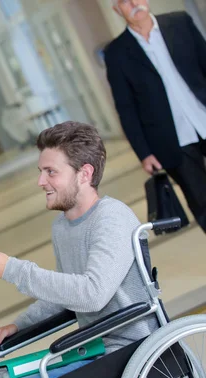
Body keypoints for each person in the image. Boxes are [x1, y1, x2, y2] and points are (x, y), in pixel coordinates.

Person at [0, 121, 158, 378]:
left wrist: (12, 269)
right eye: (41, 172)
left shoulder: (111, 219)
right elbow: (65, 293)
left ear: (84, 174)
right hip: (89, 348)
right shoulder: (63, 225)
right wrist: (19, 325)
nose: (40, 181)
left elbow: (92, 295)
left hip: (127, 350)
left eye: (51, 172)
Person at [104, 0, 206, 233]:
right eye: (124, 2)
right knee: (201, 200)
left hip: (203, 117)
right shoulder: (117, 53)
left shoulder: (180, 23)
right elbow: (126, 108)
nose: (133, 4)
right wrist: (144, 152)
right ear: (117, 9)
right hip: (170, 141)